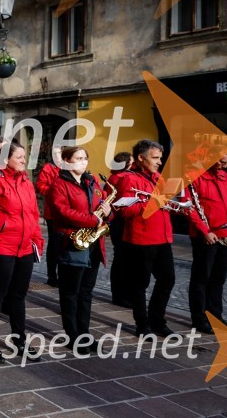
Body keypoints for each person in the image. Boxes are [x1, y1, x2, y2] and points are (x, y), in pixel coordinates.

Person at [0, 142, 44, 362]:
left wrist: (37, 240)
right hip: (2, 246)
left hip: (24, 248)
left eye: (25, 156)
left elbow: (33, 214)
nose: (24, 160)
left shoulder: (25, 181)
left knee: (19, 296)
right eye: (20, 157)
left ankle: (19, 339)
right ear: (6, 159)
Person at [47, 146, 110, 354]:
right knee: (70, 293)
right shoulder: (59, 184)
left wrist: (108, 211)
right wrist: (93, 220)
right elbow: (63, 212)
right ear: (66, 161)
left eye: (85, 158)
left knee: (85, 293)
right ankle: (72, 336)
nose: (83, 162)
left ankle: (85, 334)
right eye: (78, 158)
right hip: (71, 242)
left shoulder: (92, 181)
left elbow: (99, 205)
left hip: (92, 243)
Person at [116, 140, 176, 337]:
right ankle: (142, 325)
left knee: (167, 280)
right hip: (141, 239)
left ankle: (158, 321)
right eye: (155, 158)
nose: (159, 162)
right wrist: (151, 204)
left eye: (160, 158)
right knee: (139, 284)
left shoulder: (158, 177)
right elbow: (123, 209)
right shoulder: (129, 178)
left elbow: (161, 203)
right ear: (141, 158)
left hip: (163, 237)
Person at [187, 146, 227, 334]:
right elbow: (191, 208)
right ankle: (200, 319)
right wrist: (205, 231)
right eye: (221, 162)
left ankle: (216, 317)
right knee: (202, 278)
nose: (224, 167)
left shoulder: (223, 176)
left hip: (226, 235)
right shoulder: (195, 176)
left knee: (218, 279)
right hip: (207, 237)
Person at [107, 151, 134, 307]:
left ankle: (120, 294)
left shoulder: (114, 176)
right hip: (121, 220)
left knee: (121, 259)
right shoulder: (121, 178)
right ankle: (120, 295)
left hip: (119, 221)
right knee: (122, 260)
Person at [35, 145, 63, 287]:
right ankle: (52, 275)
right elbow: (40, 185)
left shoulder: (68, 167)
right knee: (54, 244)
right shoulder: (48, 168)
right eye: (54, 154)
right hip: (52, 212)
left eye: (59, 153)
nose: (56, 156)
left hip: (67, 212)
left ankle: (63, 273)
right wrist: (55, 192)